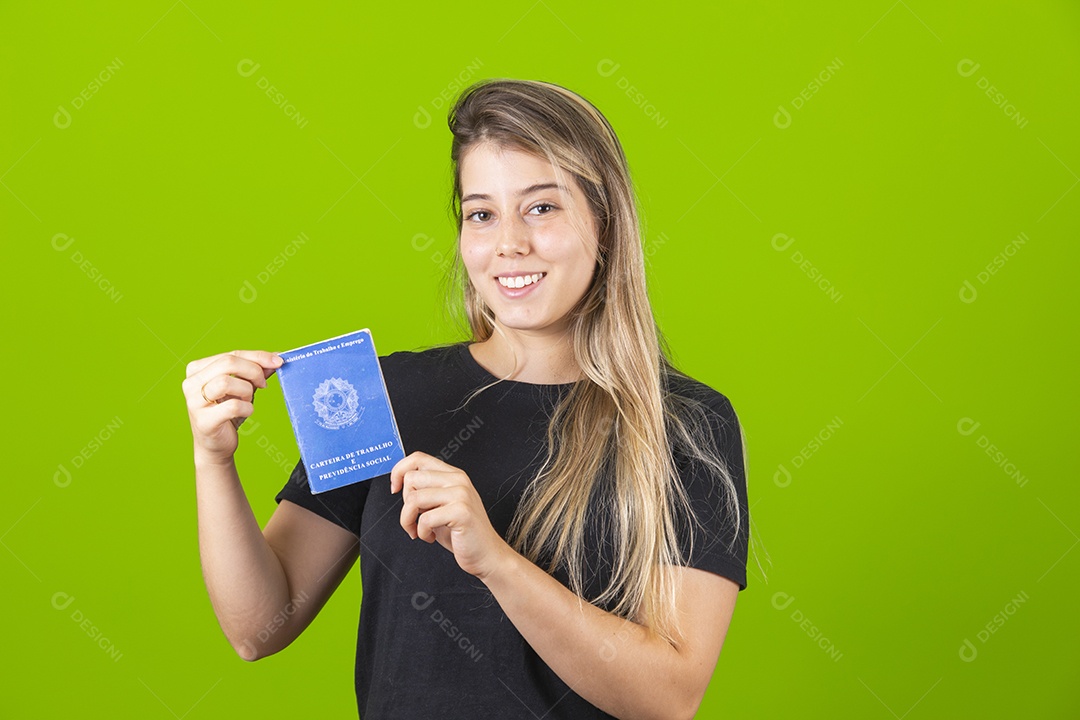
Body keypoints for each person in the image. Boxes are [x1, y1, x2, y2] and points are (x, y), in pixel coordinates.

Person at [182, 77, 751, 719]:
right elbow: (258, 629)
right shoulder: (388, 396)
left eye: (542, 207)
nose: (509, 243)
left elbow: (668, 698)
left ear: (606, 222)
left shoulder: (685, 424)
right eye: (481, 213)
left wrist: (495, 561)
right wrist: (214, 460)